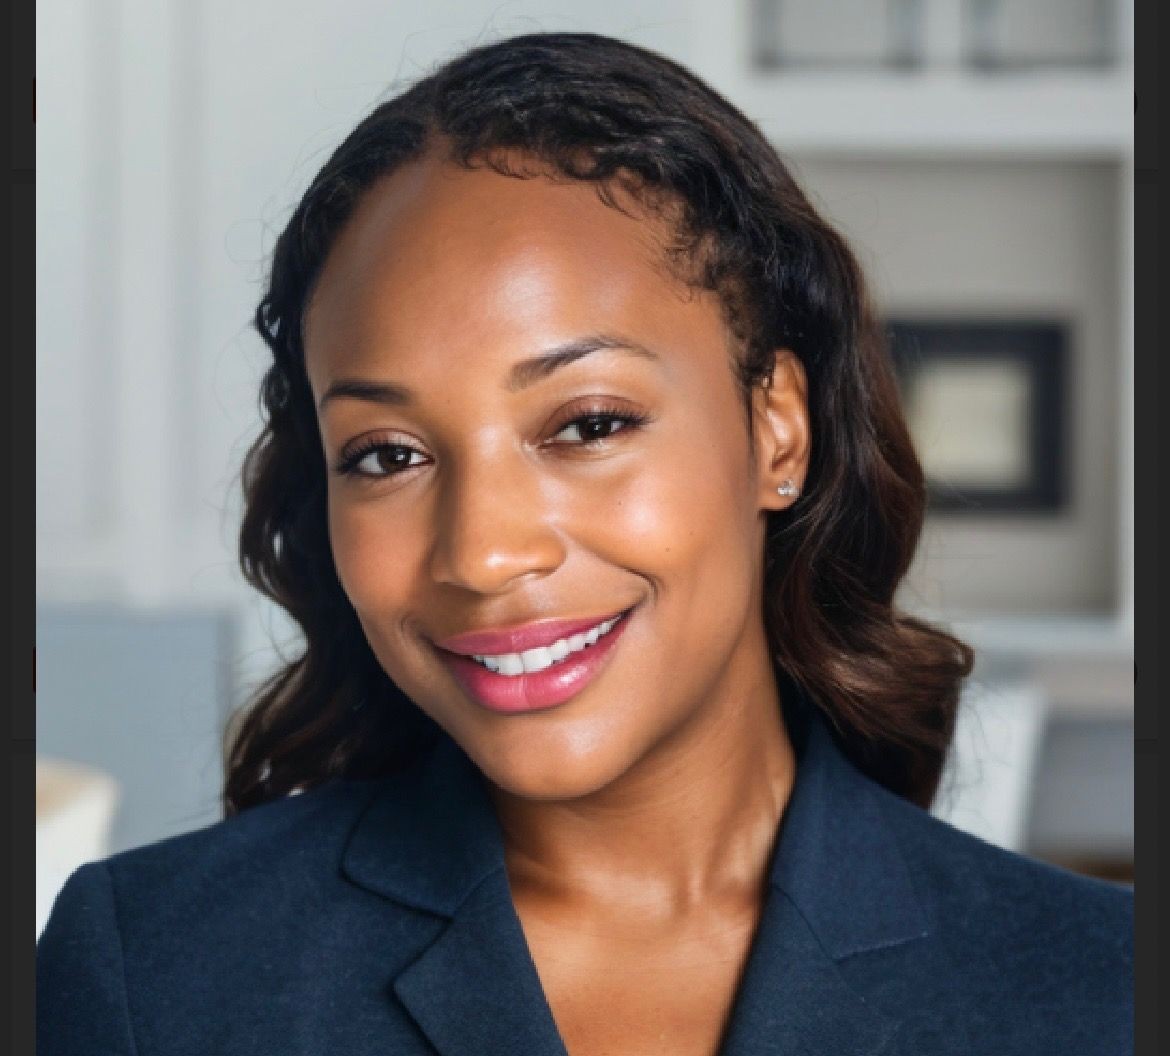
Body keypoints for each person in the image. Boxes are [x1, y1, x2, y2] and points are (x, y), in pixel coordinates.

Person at [37, 32, 1132, 1056]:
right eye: (386, 454)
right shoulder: (155, 974)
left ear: (775, 429)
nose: (483, 553)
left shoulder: (1101, 990)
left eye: (588, 425)